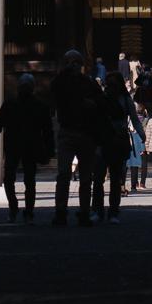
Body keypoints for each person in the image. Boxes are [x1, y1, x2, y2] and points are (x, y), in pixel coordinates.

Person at [0, 73, 53, 224]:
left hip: (15, 146)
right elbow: (48, 131)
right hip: (28, 146)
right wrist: (49, 150)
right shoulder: (39, 105)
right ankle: (27, 211)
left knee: (13, 179)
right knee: (28, 181)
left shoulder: (11, 104)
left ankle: (16, 207)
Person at [52, 49, 103, 226]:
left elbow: (100, 103)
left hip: (83, 132)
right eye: (70, 63)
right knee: (65, 174)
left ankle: (82, 211)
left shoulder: (87, 83)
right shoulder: (63, 82)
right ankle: (62, 210)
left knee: (83, 176)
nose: (73, 66)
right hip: (71, 130)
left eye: (76, 63)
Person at [92, 72, 133, 222]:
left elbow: (133, 117)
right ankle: (99, 209)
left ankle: (111, 211)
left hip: (116, 139)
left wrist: (142, 135)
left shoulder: (124, 100)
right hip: (104, 139)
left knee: (114, 178)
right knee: (100, 178)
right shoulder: (102, 100)